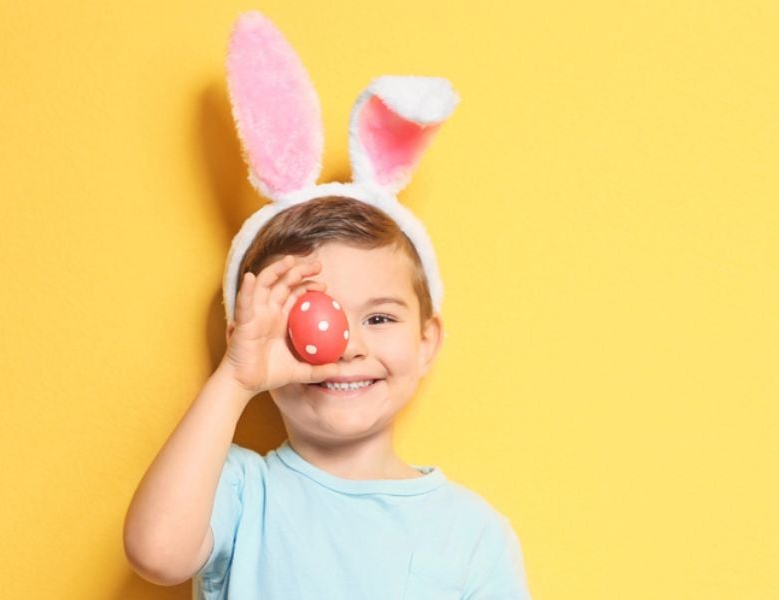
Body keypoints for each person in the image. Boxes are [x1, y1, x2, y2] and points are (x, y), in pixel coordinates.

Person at [123, 11, 531, 599]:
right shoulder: (241, 489)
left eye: (380, 317)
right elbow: (156, 553)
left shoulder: (471, 534)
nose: (345, 345)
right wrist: (237, 378)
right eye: (313, 315)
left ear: (426, 342)